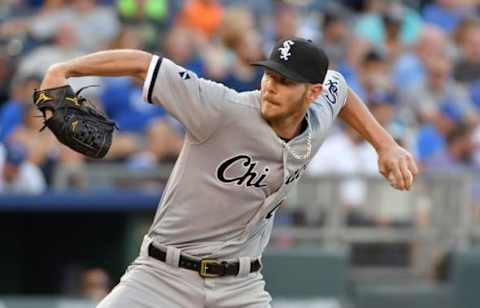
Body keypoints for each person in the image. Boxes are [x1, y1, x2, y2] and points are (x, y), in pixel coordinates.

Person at [37, 37, 417, 307]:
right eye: (270, 74)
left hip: (241, 287)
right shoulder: (220, 108)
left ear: (311, 94)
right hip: (162, 276)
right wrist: (65, 68)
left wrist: (384, 144)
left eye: (285, 81)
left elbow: (341, 87)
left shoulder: (318, 116)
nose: (271, 86)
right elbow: (143, 63)